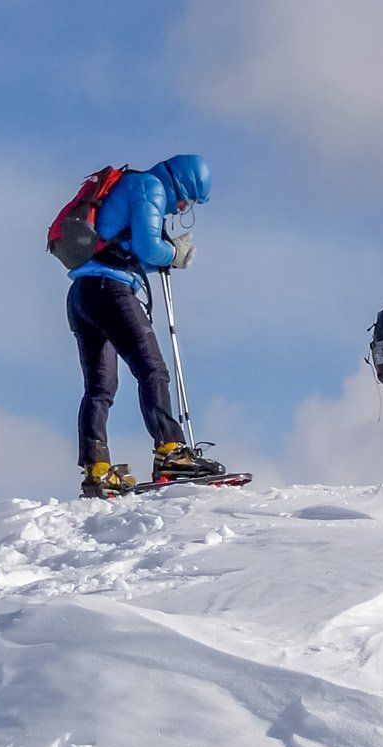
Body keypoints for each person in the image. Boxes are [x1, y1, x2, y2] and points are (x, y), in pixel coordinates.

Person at [65, 154, 228, 497]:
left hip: (83, 294)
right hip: (110, 291)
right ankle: (171, 451)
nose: (182, 208)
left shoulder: (134, 186)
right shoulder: (149, 187)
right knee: (152, 369)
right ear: (179, 183)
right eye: (187, 199)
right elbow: (147, 247)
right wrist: (173, 254)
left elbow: (126, 252)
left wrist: (166, 258)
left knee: (100, 387)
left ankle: (96, 469)